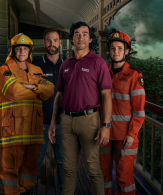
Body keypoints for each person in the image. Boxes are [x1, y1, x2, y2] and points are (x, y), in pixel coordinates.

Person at [48, 21, 112, 195]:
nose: (81, 37)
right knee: (68, 170)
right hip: (66, 121)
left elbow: (106, 95)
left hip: (89, 120)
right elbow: (59, 95)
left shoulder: (98, 63)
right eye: (77, 34)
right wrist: (54, 122)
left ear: (90, 39)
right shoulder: (65, 65)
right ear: (72, 39)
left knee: (93, 169)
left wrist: (106, 125)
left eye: (84, 34)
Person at [0, 33, 54, 195]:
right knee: (10, 169)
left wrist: (30, 87)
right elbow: (14, 91)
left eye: (25, 48)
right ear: (13, 51)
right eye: (18, 48)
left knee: (29, 168)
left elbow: (49, 89)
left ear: (30, 51)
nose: (22, 51)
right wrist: (37, 88)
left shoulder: (36, 70)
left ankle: (24, 191)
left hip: (32, 129)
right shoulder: (5, 70)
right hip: (13, 130)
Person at [99, 30, 145, 195]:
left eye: (120, 48)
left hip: (126, 136)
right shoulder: (103, 72)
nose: (116, 52)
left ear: (126, 51)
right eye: (113, 48)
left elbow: (139, 111)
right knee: (102, 176)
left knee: (124, 179)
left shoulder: (134, 75)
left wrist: (132, 134)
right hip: (105, 133)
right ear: (109, 50)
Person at [30, 27, 64, 195]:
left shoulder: (67, 66)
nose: (52, 43)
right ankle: (31, 192)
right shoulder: (35, 64)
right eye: (49, 40)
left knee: (62, 162)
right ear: (44, 43)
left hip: (61, 124)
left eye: (55, 40)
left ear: (60, 42)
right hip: (40, 124)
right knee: (35, 161)